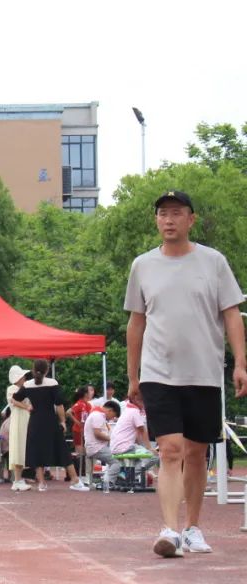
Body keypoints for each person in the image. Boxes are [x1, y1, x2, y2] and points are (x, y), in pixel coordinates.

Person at [125, 190, 246, 558]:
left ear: (191, 220)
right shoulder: (143, 265)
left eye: (176, 213)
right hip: (158, 372)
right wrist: (133, 376)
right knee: (171, 449)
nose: (169, 220)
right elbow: (136, 321)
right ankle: (169, 529)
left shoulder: (213, 262)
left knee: (196, 453)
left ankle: (193, 527)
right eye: (163, 214)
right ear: (156, 221)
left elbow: (231, 314)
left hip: (204, 371)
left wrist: (240, 362)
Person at [14, 360, 88, 493]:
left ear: (33, 370)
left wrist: (28, 407)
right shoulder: (53, 383)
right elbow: (59, 404)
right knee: (63, 450)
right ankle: (75, 480)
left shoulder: (27, 385)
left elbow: (15, 398)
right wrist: (63, 421)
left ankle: (41, 483)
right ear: (47, 370)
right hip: (50, 421)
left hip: (35, 422)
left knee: (37, 451)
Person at [7, 365, 32, 492]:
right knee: (18, 448)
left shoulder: (23, 388)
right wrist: (26, 407)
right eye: (23, 376)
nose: (24, 378)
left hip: (24, 420)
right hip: (18, 421)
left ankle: (19, 478)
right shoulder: (12, 388)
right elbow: (13, 401)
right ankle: (16, 480)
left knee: (22, 448)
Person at [84, 400, 120, 486]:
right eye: (113, 416)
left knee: (116, 459)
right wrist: (111, 439)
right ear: (110, 410)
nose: (111, 419)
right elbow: (97, 434)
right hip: (97, 447)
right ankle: (108, 481)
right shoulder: (98, 416)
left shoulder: (97, 414)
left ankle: (108, 479)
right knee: (117, 461)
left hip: (96, 446)